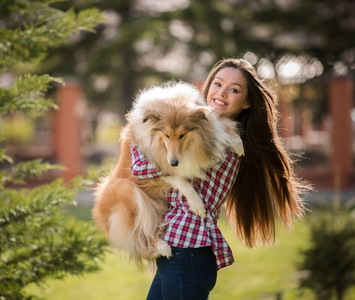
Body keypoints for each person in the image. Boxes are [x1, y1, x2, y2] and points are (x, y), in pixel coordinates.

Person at [131, 58, 309, 299]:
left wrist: (143, 133)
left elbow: (141, 169)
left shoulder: (227, 142)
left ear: (246, 103)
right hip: (177, 252)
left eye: (234, 90)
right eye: (217, 84)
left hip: (188, 252)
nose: (221, 93)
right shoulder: (200, 130)